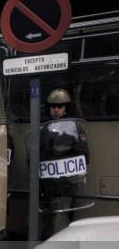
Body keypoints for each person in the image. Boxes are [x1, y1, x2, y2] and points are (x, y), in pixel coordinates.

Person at [39, 88, 90, 238]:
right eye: (53, 107)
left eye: (59, 107)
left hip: (67, 184)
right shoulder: (43, 129)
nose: (55, 110)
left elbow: (84, 154)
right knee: (48, 220)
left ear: (65, 108)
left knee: (67, 219)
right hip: (48, 184)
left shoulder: (74, 127)